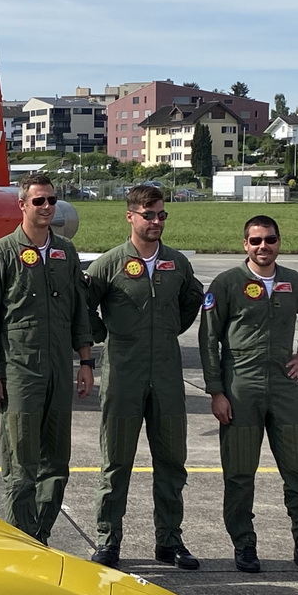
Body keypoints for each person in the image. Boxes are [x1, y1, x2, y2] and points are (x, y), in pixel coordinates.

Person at [198, 215, 298, 576]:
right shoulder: (226, 284)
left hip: (284, 388)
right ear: (245, 245)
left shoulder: (293, 282)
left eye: (269, 240)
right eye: (255, 241)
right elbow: (208, 340)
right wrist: (216, 391)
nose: (263, 247)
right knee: (239, 474)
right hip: (241, 386)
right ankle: (244, 545)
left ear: (278, 242)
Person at [85, 184, 203, 570]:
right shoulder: (109, 263)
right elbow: (84, 308)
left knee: (171, 460)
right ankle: (108, 540)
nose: (156, 222)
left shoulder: (177, 263)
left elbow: (191, 300)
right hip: (123, 372)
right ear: (130, 216)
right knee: (116, 461)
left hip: (167, 372)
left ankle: (169, 541)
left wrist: (168, 330)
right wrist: (109, 334)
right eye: (148, 214)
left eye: (161, 215)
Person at [0, 173, 93, 545]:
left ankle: (40, 536)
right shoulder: (0, 254)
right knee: (20, 464)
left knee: (57, 464)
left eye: (51, 200)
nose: (46, 207)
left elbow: (79, 312)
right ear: (22, 205)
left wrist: (86, 361)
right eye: (38, 201)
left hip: (60, 369)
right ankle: (17, 540)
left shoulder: (65, 252)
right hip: (18, 371)